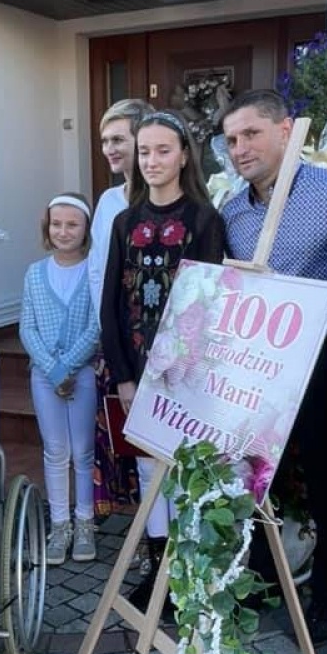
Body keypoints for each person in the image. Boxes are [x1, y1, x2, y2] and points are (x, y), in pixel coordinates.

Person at [221, 90, 327, 643]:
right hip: (256, 364)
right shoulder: (233, 209)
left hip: (321, 361)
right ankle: (262, 577)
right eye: (232, 138)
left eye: (251, 133)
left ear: (287, 130)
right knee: (258, 473)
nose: (239, 148)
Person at [101, 109, 225, 605]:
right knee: (150, 472)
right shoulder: (123, 222)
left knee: (186, 470)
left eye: (162, 150)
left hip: (187, 372)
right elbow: (110, 304)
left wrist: (185, 370)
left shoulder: (204, 220)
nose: (151, 160)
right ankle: (159, 574)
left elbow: (211, 303)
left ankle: (187, 573)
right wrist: (124, 377)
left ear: (183, 157)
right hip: (137, 369)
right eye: (144, 151)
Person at [20, 194, 100, 565]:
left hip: (81, 373)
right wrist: (52, 370)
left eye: (72, 224)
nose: (63, 231)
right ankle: (60, 525)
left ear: (85, 229)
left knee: (83, 451)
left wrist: (68, 366)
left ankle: (85, 523)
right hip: (44, 376)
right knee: (55, 451)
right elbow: (27, 326)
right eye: (57, 224)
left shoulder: (93, 271)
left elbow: (96, 326)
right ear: (46, 227)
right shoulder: (35, 273)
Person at [88, 99, 151, 522]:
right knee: (135, 449)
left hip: (161, 345)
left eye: (118, 139)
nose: (109, 148)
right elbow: (98, 275)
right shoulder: (108, 201)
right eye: (104, 140)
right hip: (120, 345)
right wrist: (105, 339)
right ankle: (149, 538)